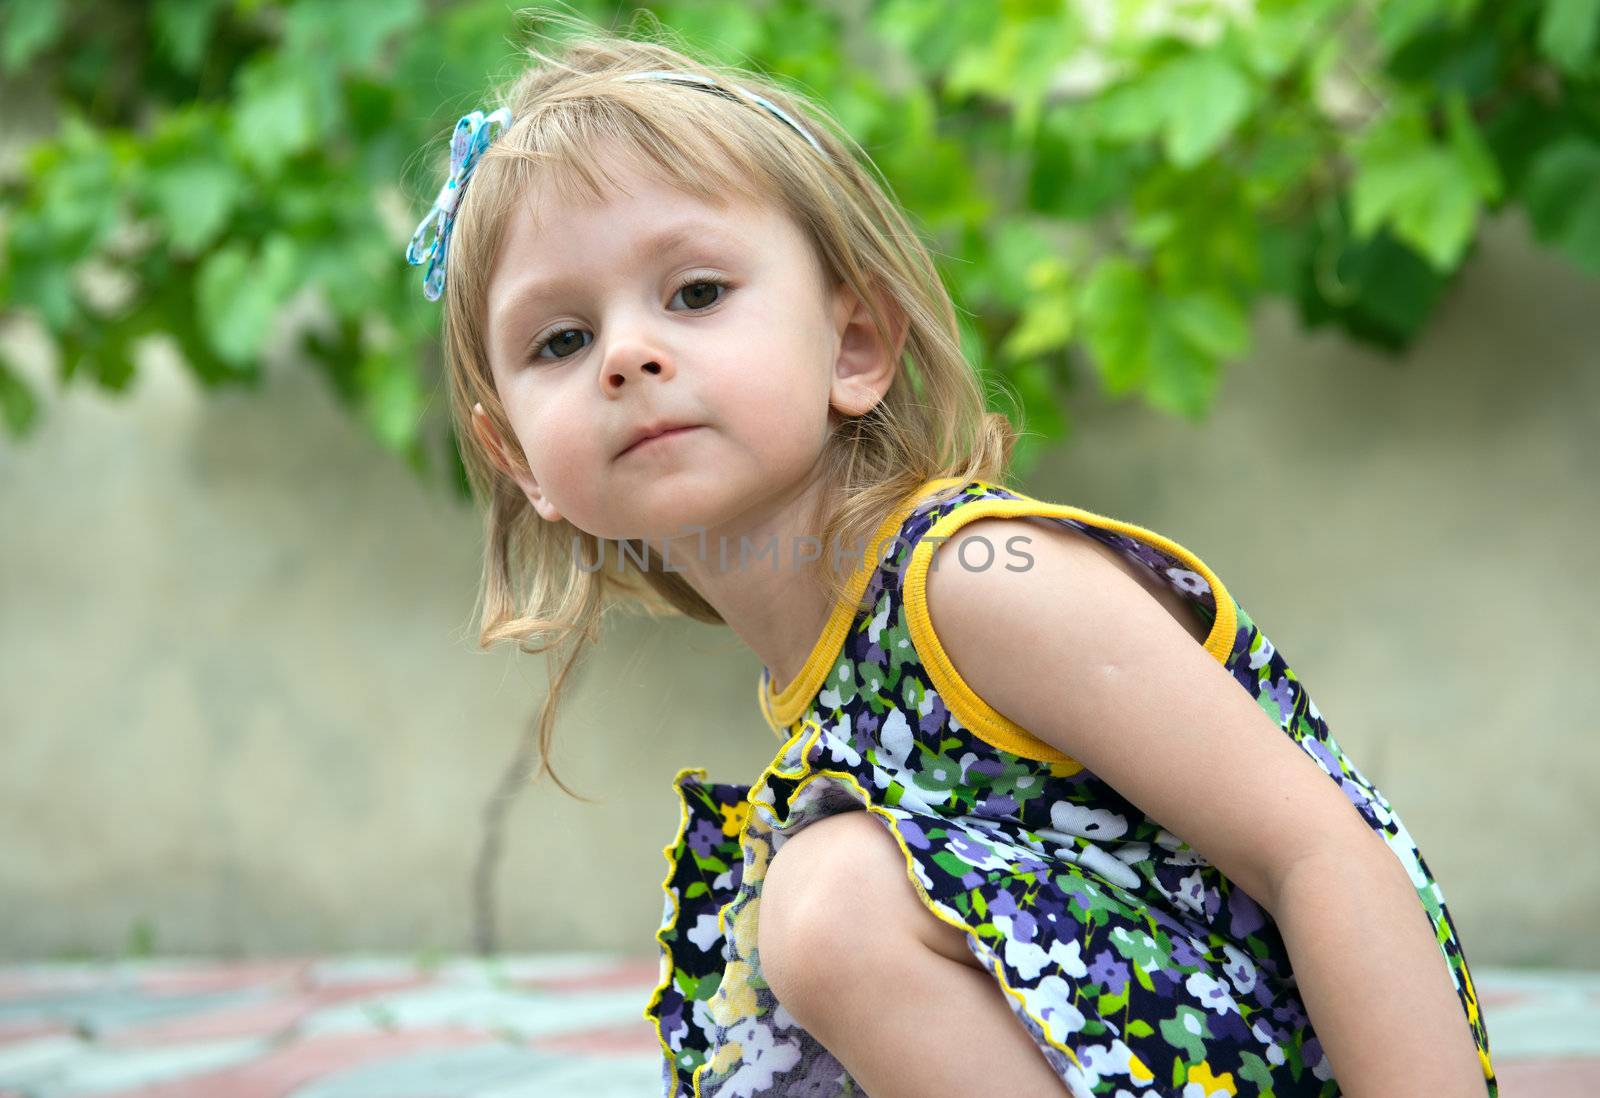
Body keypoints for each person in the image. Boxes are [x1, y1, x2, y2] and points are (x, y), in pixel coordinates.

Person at [402, 16, 1497, 1098]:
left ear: (855, 344)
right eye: (561, 340)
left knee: (828, 901)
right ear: (517, 461)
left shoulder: (975, 583)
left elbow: (1321, 850)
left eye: (695, 294)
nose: (629, 355)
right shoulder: (828, 667)